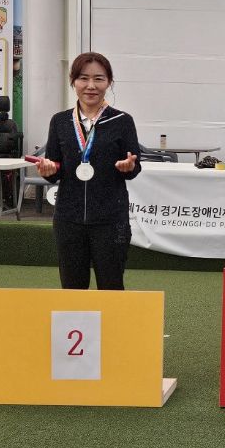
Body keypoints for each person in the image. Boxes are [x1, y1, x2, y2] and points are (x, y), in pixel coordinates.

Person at [34, 52, 141, 290]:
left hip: (111, 219)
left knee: (111, 286)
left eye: (99, 79)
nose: (91, 86)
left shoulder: (122, 121)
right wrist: (48, 170)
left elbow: (134, 167)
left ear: (109, 82)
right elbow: (55, 169)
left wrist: (129, 167)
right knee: (72, 288)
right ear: (73, 81)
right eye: (83, 78)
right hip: (68, 219)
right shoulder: (60, 121)